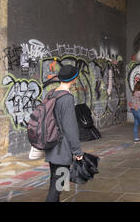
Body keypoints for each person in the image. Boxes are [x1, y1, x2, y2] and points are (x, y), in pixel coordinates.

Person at [45, 65, 84, 202]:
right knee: (57, 186)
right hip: (62, 149)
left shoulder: (51, 93)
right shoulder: (66, 98)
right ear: (74, 79)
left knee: (55, 182)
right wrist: (77, 151)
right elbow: (70, 128)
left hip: (51, 146)